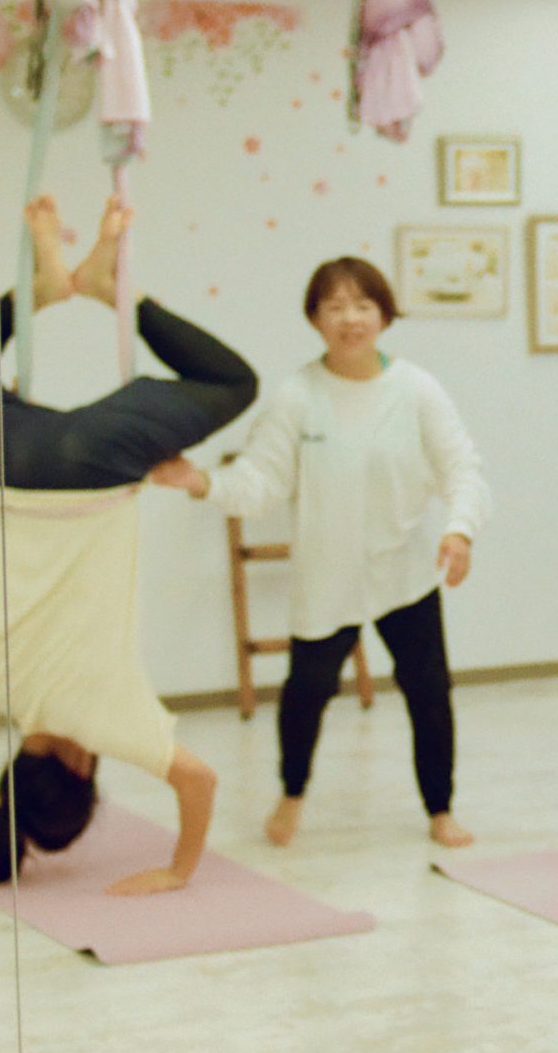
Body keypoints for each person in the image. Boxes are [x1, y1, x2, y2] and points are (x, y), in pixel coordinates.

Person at [0, 193, 255, 895]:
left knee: (232, 383)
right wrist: (1, 446)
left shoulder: (107, 721)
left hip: (94, 463)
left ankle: (113, 290)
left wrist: (177, 870)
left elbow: (198, 780)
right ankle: (37, 293)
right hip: (7, 466)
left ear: (78, 769)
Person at [204, 255, 489, 849]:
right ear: (315, 318)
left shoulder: (415, 389)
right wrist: (202, 483)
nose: (350, 318)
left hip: (404, 570)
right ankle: (291, 794)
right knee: (306, 692)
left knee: (429, 692)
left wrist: (459, 530)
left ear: (384, 315)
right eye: (335, 307)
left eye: (363, 305)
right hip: (327, 576)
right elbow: (260, 481)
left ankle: (440, 809)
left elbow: (461, 467)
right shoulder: (297, 395)